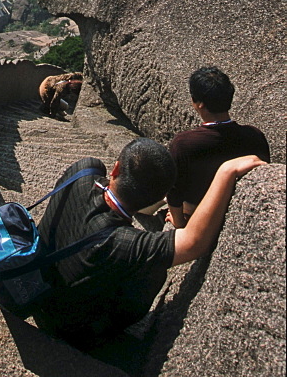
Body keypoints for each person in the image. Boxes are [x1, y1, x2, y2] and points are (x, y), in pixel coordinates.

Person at [32, 138, 266, 348]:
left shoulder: (84, 170)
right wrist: (226, 171)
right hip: (64, 328)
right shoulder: (123, 243)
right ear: (156, 200)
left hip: (32, 284)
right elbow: (195, 243)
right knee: (156, 271)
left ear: (115, 168)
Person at [166, 66, 271, 228]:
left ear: (199, 104)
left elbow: (174, 192)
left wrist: (179, 224)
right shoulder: (254, 136)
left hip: (197, 210)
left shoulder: (184, 143)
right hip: (238, 208)